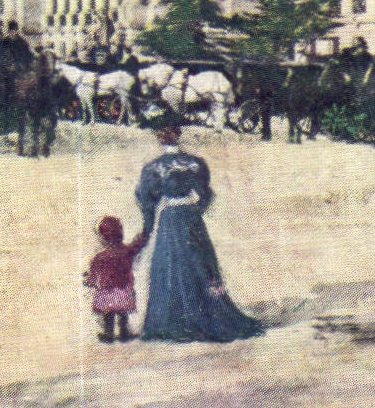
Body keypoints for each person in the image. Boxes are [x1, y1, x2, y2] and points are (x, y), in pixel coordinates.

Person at [134, 124, 264, 341]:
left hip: (171, 221)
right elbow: (207, 195)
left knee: (171, 264)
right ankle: (204, 313)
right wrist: (194, 211)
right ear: (178, 134)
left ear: (159, 137)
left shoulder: (153, 167)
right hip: (192, 219)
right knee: (200, 262)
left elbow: (146, 200)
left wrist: (146, 231)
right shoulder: (196, 163)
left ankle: (175, 320)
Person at [85, 215, 147, 343]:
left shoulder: (100, 256)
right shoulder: (126, 251)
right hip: (123, 288)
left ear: (103, 236)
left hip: (106, 291)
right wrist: (144, 236)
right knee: (122, 314)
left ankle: (108, 334)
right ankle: (124, 333)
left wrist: (89, 281)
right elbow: (137, 246)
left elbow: (93, 273)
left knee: (108, 315)